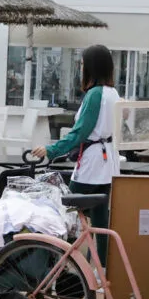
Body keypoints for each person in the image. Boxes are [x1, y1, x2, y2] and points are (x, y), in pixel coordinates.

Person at [33, 44, 121, 264]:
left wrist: (51, 150)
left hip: (92, 163)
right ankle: (102, 270)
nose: (81, 68)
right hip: (108, 162)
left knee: (63, 210)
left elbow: (80, 132)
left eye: (83, 64)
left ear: (91, 67)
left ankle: (53, 262)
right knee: (101, 221)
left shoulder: (95, 94)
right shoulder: (113, 93)